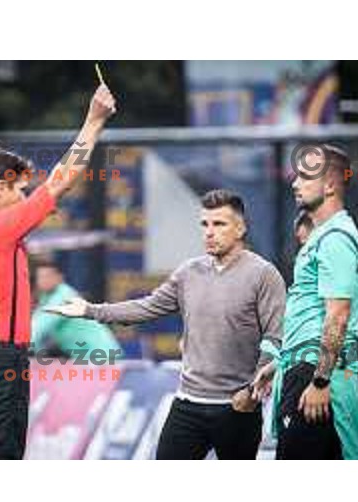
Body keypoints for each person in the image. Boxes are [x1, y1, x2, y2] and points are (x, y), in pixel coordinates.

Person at [0, 84, 116, 460]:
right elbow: (62, 180)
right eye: (20, 190)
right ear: (0, 188)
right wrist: (94, 121)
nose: (25, 198)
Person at [48, 189, 286, 460]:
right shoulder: (189, 272)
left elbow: (275, 337)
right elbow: (146, 306)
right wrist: (90, 310)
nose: (209, 232)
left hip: (237, 408)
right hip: (188, 405)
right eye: (205, 224)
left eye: (219, 224)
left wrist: (251, 394)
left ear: (240, 228)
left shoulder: (264, 275)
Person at [253, 144, 358, 459]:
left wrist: (320, 380)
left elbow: (338, 316)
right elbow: (311, 314)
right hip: (303, 368)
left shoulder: (336, 239)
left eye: (306, 176)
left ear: (331, 185)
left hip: (318, 374)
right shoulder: (324, 235)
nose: (295, 183)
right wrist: (281, 363)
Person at [293, 209, 358, 436]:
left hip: (354, 376)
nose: (304, 253)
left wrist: (320, 382)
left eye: (307, 244)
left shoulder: (340, 274)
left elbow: (337, 324)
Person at [31, 258, 123, 361]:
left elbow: (38, 328)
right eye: (40, 277)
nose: (43, 281)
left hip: (102, 355)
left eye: (47, 276)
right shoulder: (46, 298)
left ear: (59, 277)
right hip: (84, 357)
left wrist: (18, 350)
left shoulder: (64, 297)